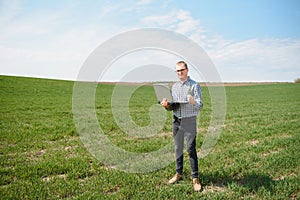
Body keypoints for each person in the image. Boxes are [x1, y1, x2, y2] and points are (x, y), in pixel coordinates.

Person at [161, 61, 203, 192]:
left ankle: (195, 178)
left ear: (187, 70)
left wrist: (194, 101)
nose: (180, 73)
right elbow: (174, 106)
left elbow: (200, 105)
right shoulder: (174, 87)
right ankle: (178, 174)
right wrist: (167, 106)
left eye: (182, 70)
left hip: (189, 121)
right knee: (178, 148)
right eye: (178, 71)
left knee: (191, 149)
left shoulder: (194, 85)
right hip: (176, 121)